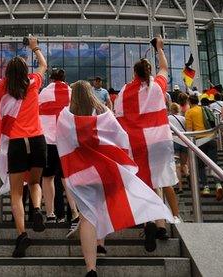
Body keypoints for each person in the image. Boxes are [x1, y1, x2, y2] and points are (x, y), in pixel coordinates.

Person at [57, 80, 174, 275]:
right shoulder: (103, 112)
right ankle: (100, 244)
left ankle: (91, 268)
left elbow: (61, 141)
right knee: (102, 209)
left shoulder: (66, 115)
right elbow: (120, 137)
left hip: (80, 173)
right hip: (104, 171)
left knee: (87, 216)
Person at [0, 37, 48, 257]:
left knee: (17, 193)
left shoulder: (0, 86)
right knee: (36, 181)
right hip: (38, 140)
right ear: (25, 70)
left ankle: (22, 234)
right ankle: (37, 209)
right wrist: (35, 46)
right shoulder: (34, 82)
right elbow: (44, 65)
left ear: (8, 72)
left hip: (17, 143)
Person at [113, 35, 178, 238]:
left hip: (137, 142)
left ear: (134, 72)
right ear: (149, 71)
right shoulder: (157, 86)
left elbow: (118, 117)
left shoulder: (125, 91)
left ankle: (149, 221)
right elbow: (165, 68)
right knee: (156, 181)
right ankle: (161, 225)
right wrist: (159, 49)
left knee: (144, 182)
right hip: (158, 141)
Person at [39, 69, 73, 223]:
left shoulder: (44, 93)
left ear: (51, 79)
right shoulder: (72, 92)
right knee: (68, 179)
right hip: (67, 141)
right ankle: (74, 212)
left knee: (47, 178)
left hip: (48, 142)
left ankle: (50, 213)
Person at [185, 94, 221, 199]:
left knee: (200, 165)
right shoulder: (204, 109)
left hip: (199, 141)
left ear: (189, 102)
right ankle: (218, 184)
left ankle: (206, 187)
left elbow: (189, 130)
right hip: (210, 138)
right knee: (213, 164)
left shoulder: (189, 112)